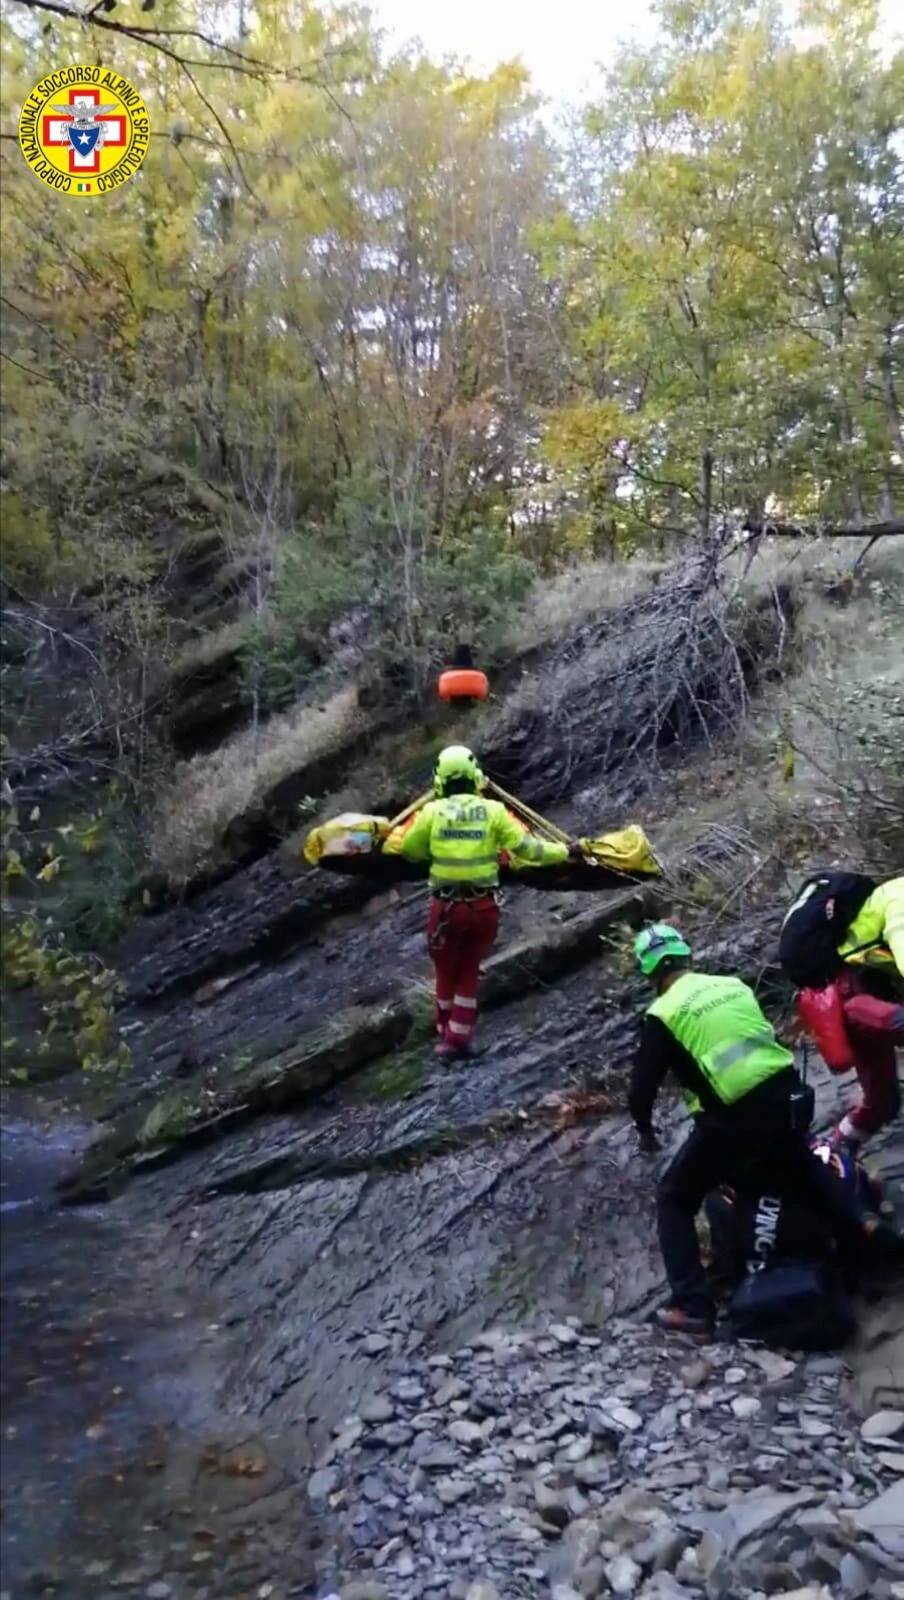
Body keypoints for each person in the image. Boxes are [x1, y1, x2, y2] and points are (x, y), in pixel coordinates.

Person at [628, 922, 891, 1336]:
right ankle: (872, 1254)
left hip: (733, 1120)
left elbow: (641, 1091)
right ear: (686, 956)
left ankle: (693, 1305)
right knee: (805, 1175)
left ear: (649, 975)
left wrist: (645, 1131)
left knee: (674, 1199)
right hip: (790, 1100)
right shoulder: (731, 985)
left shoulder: (662, 1013)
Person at [395, 745, 580, 1060]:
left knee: (445, 971)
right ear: (475, 776)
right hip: (483, 908)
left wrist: (439, 847)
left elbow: (410, 851)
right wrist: (567, 851)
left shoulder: (430, 814)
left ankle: (446, 1034)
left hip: (446, 909)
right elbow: (528, 849)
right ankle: (458, 1036)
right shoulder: (494, 812)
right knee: (468, 969)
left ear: (439, 779)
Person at [785, 874, 904, 1147]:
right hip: (851, 1001)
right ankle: (833, 1161)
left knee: (883, 1105)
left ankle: (837, 1150)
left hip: (866, 997)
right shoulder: (899, 900)